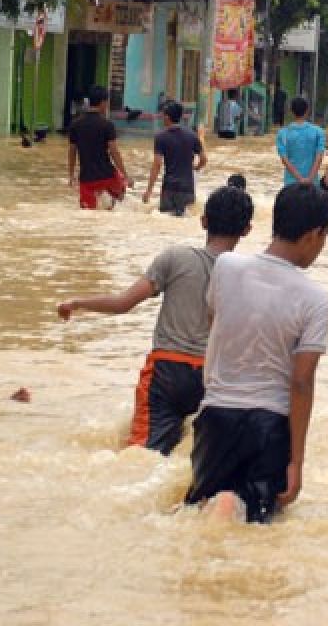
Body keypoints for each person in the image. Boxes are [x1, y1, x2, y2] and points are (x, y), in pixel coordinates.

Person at [56, 181, 254, 455]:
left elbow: (123, 303)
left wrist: (77, 302)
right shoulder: (247, 276)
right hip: (215, 377)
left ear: (203, 221)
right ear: (247, 230)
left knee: (142, 456)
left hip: (167, 372)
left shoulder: (176, 258)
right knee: (200, 456)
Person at [183, 183, 328, 523]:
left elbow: (214, 321)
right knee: (259, 526)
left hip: (215, 419)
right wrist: (296, 462)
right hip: (269, 426)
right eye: (325, 238)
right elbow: (301, 382)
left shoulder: (226, 267)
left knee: (203, 512)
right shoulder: (315, 299)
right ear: (312, 235)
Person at [68, 86, 131, 210]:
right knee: (116, 204)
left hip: (87, 179)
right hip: (108, 176)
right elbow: (114, 152)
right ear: (103, 102)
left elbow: (72, 152)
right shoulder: (107, 125)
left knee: (88, 212)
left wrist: (71, 175)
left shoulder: (75, 125)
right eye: (107, 102)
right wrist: (125, 175)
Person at [142, 101, 206, 216]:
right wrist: (195, 168)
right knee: (185, 220)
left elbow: (157, 165)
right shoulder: (192, 135)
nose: (162, 118)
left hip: (169, 188)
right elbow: (204, 159)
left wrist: (149, 191)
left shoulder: (161, 137)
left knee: (165, 221)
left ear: (167, 117)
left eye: (163, 115)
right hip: (187, 189)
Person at [276, 97, 328, 187]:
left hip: (291, 183)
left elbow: (284, 160)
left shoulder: (282, 133)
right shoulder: (318, 132)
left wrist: (299, 178)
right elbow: (319, 158)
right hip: (313, 183)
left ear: (291, 111)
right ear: (307, 110)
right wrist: (310, 178)